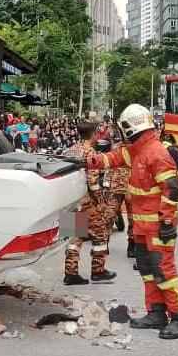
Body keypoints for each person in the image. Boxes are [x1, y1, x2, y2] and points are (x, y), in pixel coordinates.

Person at [85, 104, 178, 340]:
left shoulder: (156, 152)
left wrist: (166, 223)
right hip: (143, 227)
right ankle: (156, 313)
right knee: (148, 271)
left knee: (164, 272)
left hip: (157, 227)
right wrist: (90, 161)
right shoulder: (138, 149)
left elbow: (171, 190)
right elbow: (113, 158)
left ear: (129, 128)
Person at [63, 121, 117, 285]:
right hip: (87, 201)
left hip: (70, 200)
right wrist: (101, 201)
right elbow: (93, 181)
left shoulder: (70, 150)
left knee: (74, 237)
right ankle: (98, 271)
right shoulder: (91, 153)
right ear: (93, 134)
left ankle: (70, 273)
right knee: (100, 233)